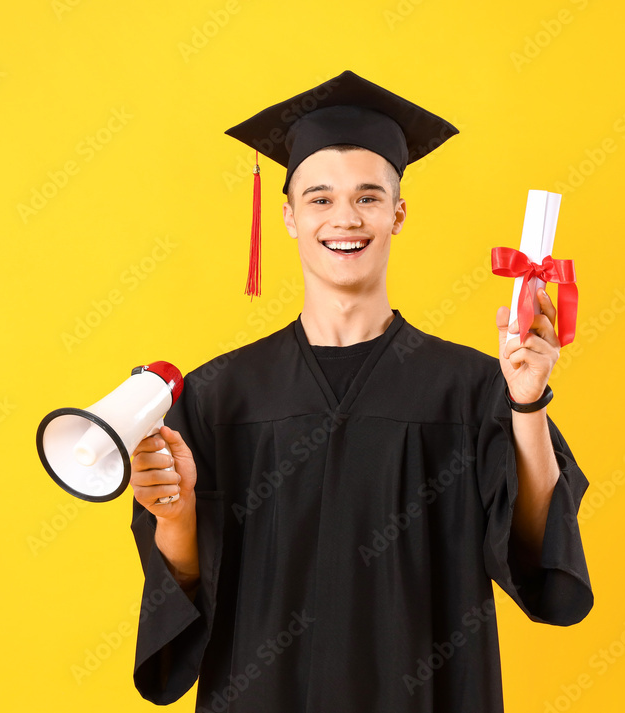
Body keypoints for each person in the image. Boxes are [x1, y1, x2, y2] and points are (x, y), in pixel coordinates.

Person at [128, 70, 592, 713]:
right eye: (319, 198)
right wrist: (176, 520)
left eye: (369, 198)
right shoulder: (217, 397)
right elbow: (183, 595)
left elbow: (538, 554)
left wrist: (526, 403)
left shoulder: (468, 389)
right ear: (288, 216)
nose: (345, 217)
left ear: (398, 214)